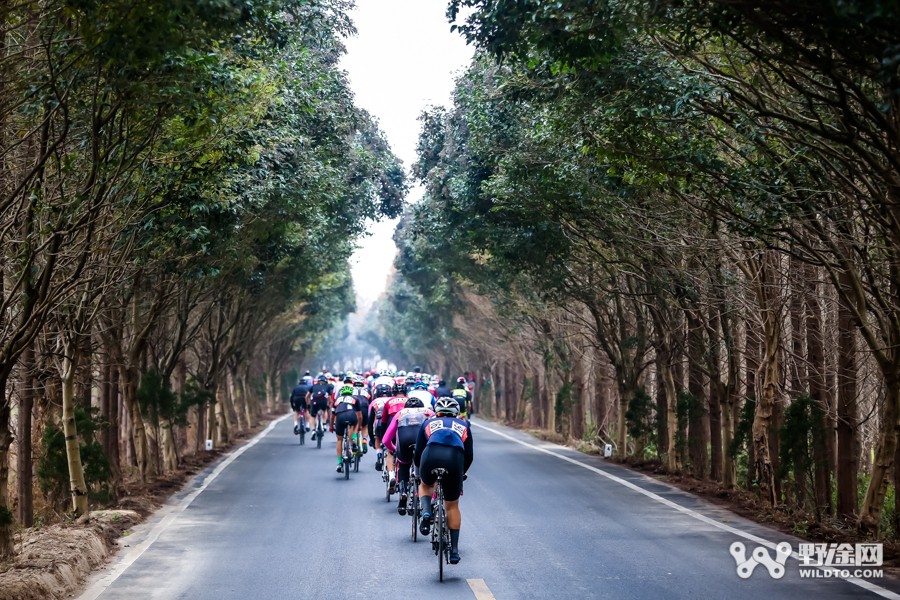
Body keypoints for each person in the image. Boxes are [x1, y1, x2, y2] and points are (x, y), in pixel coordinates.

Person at [415, 398, 473, 564]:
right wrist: (461, 474)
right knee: (452, 505)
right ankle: (454, 551)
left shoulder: (428, 423)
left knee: (425, 485)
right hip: (455, 458)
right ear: (456, 413)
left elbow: (419, 451)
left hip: (431, 454)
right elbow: (469, 456)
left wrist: (421, 471)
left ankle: (426, 512)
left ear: (437, 411)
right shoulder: (464, 425)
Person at [382, 397, 434, 515]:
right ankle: (426, 496)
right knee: (424, 465)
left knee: (404, 465)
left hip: (405, 441)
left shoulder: (400, 413)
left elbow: (386, 440)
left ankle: (403, 492)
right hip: (422, 442)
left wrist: (394, 450)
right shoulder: (429, 412)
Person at [381, 381, 409, 493]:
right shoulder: (410, 400)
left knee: (390, 452)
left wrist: (384, 436)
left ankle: (392, 474)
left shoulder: (389, 401)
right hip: (407, 426)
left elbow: (383, 421)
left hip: (392, 423)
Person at [331, 385, 362, 473]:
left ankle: (339, 463)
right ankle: (354, 440)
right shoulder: (355, 399)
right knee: (354, 424)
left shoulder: (337, 400)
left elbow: (332, 416)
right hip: (351, 415)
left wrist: (330, 426)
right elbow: (359, 416)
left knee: (339, 440)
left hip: (340, 416)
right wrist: (359, 426)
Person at [369, 383, 393, 471]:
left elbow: (370, 421)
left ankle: (379, 457)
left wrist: (372, 438)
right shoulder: (392, 400)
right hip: (390, 422)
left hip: (379, 422)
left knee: (378, 438)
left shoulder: (374, 402)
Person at [306, 375, 332, 439]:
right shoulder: (327, 386)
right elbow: (329, 397)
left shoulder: (313, 386)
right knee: (324, 410)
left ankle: (313, 431)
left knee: (313, 416)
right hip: (323, 401)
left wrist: (308, 404)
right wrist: (329, 404)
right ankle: (324, 424)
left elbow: (307, 396)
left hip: (314, 401)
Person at [352, 376, 371, 454]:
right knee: (365, 426)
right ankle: (364, 440)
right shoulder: (367, 390)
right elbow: (370, 402)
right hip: (364, 408)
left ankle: (354, 439)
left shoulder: (351, 390)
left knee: (354, 425)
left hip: (354, 408)